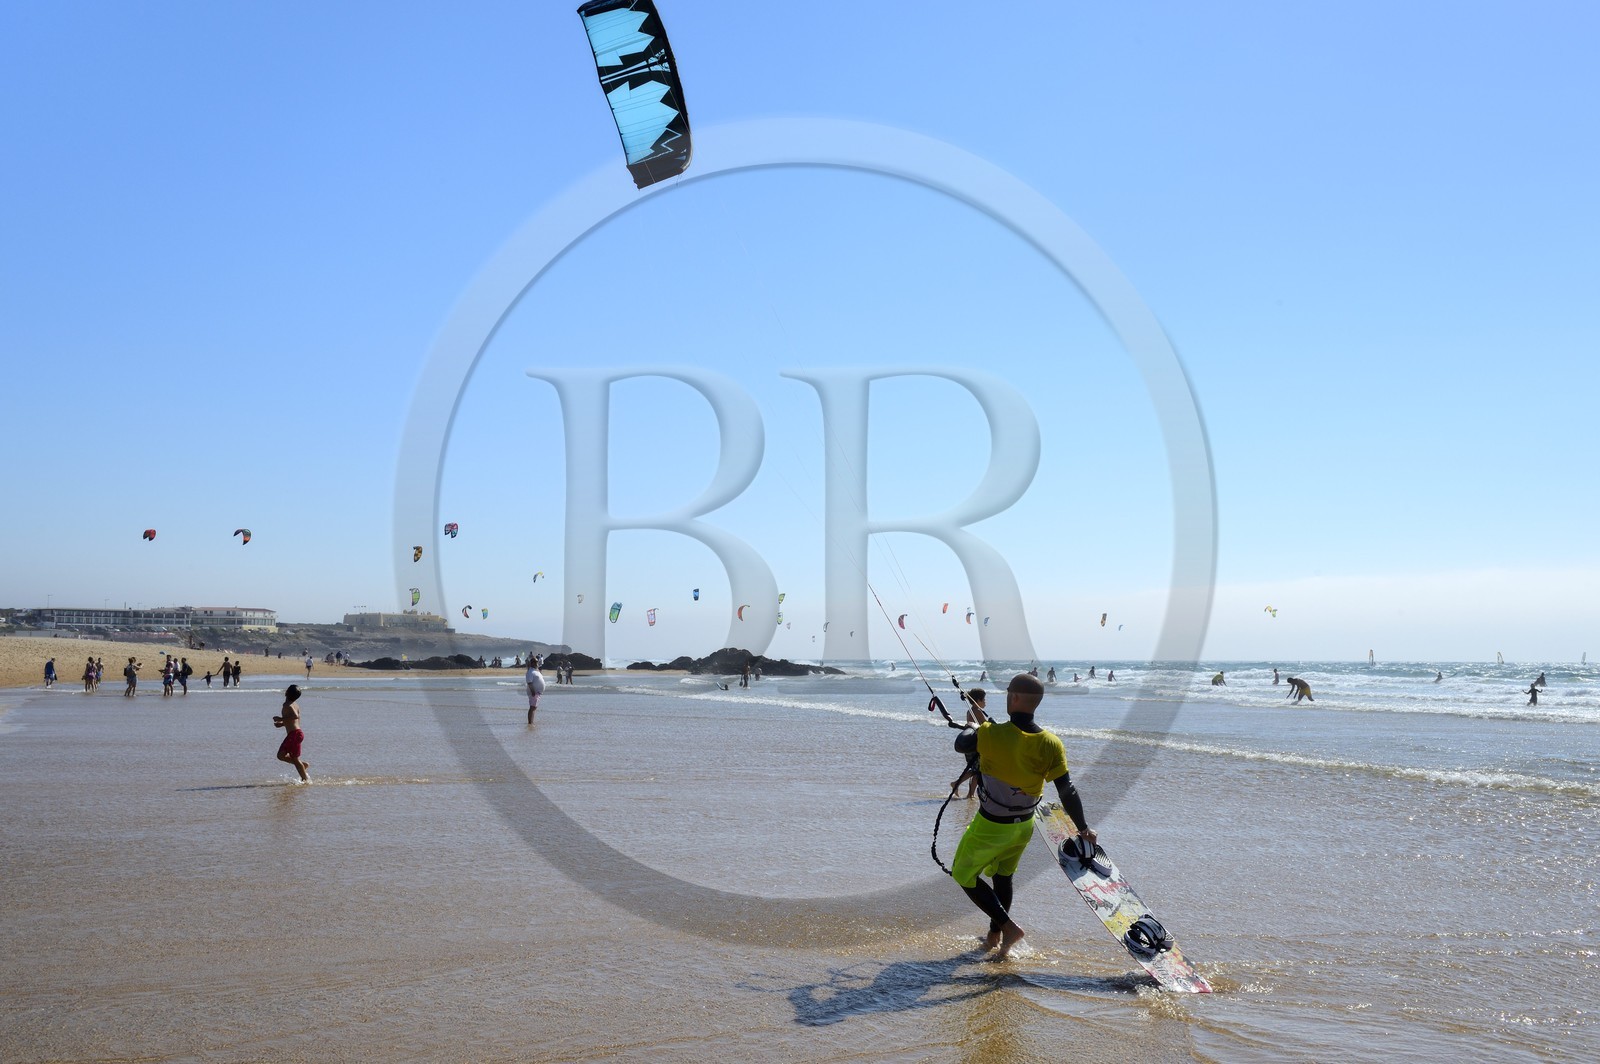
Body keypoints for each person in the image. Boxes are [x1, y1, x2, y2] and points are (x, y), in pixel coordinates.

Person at [950, 673, 1097, 959]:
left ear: (1014, 698)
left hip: (991, 826)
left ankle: (1008, 927)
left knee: (963, 873)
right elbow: (1067, 789)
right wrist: (1084, 828)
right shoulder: (1051, 743)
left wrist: (973, 724)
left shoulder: (990, 734)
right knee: (1003, 878)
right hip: (1025, 825)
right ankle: (995, 936)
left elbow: (961, 743)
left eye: (1007, 693)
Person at [948, 688, 988, 799]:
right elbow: (986, 726)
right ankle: (956, 783)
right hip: (976, 745)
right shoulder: (978, 712)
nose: (985, 702)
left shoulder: (970, 711)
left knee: (976, 771)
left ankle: (970, 794)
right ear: (978, 701)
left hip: (969, 743)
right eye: (984, 699)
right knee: (977, 770)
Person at [273, 684, 310, 783]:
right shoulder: (295, 704)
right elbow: (294, 721)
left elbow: (295, 716)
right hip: (296, 733)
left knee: (293, 757)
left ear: (286, 692)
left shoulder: (287, 705)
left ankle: (305, 779)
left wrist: (281, 719)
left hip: (294, 734)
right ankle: (302, 765)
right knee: (281, 755)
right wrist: (282, 724)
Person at [525, 657, 546, 724]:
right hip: (534, 692)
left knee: (534, 707)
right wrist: (533, 691)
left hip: (537, 692)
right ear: (533, 663)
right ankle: (530, 723)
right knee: (532, 707)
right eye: (536, 662)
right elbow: (529, 682)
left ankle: (531, 721)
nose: (537, 663)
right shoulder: (530, 671)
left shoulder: (535, 671)